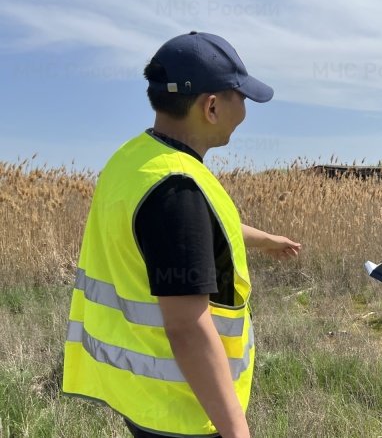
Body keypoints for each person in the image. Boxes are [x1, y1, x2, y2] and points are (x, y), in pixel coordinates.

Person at [62, 31, 302, 438]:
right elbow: (187, 326)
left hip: (144, 396)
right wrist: (236, 431)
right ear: (211, 106)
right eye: (240, 97)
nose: (244, 109)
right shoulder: (177, 188)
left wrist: (265, 240)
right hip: (183, 410)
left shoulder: (135, 161)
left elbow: (188, 235)